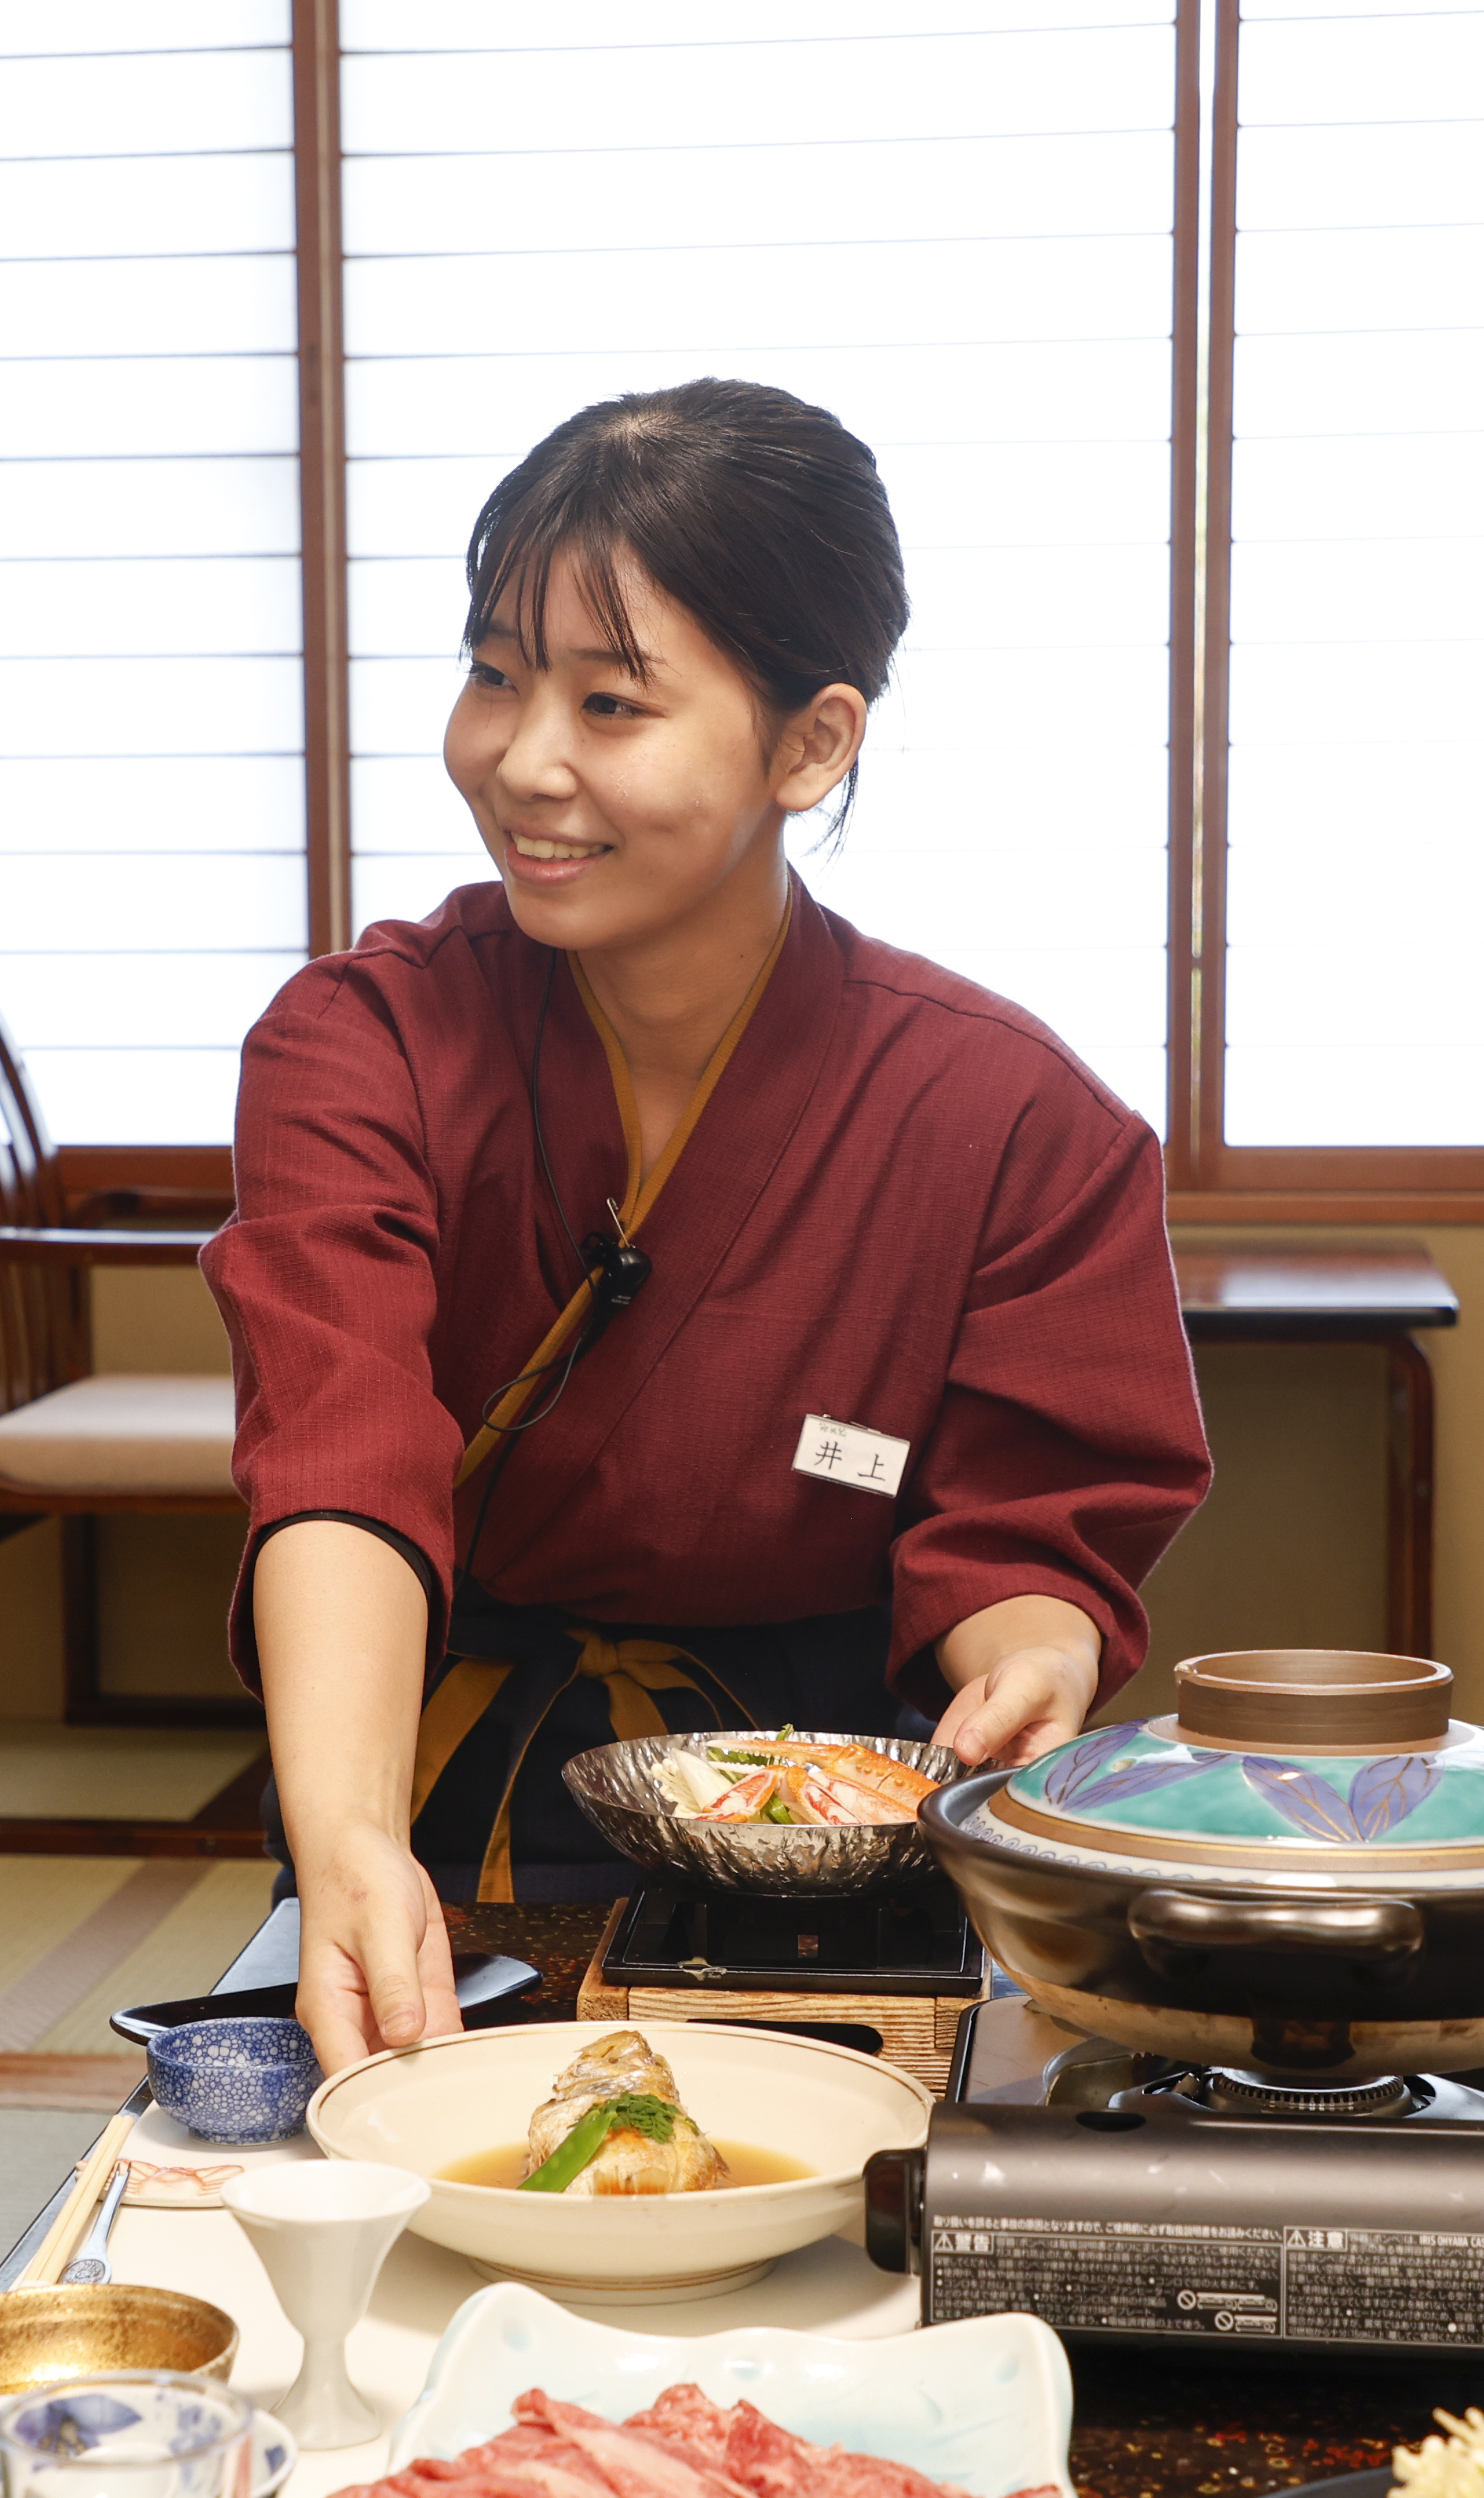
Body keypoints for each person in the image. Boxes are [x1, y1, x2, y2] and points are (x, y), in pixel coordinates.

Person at [207, 379, 1213, 2065]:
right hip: (432, 1813)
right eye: (494, 674)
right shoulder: (361, 1044)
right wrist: (351, 1836)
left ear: (812, 743)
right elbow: (340, 1451)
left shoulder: (1015, 1118)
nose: (522, 759)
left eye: (611, 702)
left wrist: (1036, 1652)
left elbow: (1031, 1533)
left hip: (835, 1834)